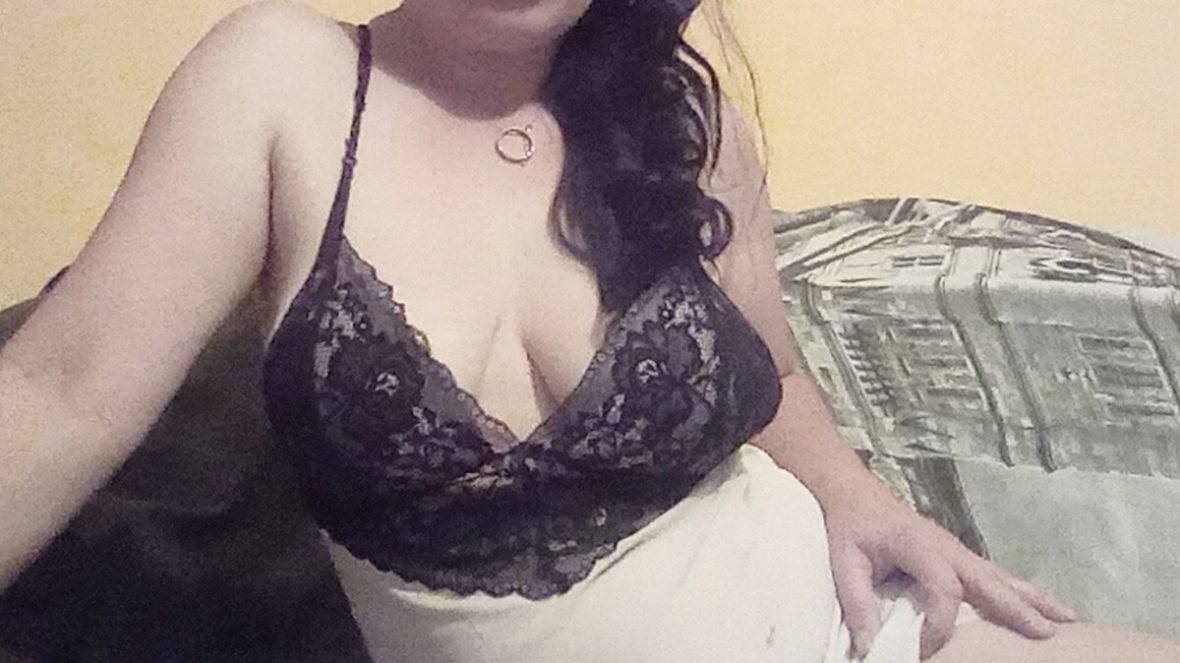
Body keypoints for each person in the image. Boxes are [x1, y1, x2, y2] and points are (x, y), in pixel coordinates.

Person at [0, 1, 1177, 661]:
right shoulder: (281, 82)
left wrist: (860, 498)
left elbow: (768, 366)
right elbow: (60, 392)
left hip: (840, 631)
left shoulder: (677, 106)